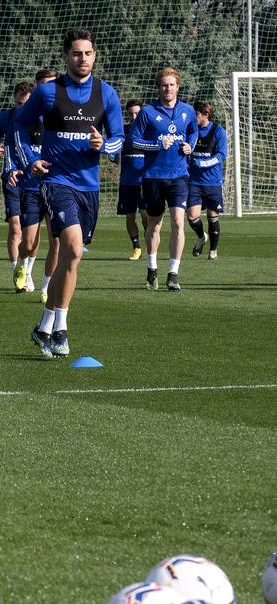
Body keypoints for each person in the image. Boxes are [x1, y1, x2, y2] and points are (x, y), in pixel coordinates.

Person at [13, 29, 124, 358]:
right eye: (76, 53)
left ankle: (44, 325)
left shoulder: (107, 94)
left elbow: (118, 140)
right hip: (56, 181)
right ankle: (61, 329)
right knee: (72, 249)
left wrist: (103, 145)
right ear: (65, 57)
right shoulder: (48, 92)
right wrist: (30, 161)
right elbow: (19, 126)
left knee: (71, 258)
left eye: (88, 53)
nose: (83, 59)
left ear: (95, 55)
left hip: (89, 187)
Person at [132, 67, 198, 292]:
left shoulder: (188, 111)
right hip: (153, 177)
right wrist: (156, 145)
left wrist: (191, 145)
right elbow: (134, 141)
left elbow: (193, 131)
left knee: (179, 222)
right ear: (158, 87)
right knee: (154, 224)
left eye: (171, 85)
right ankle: (152, 268)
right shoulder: (148, 112)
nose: (168, 88)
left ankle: (173, 273)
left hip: (179, 175)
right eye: (164, 85)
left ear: (177, 87)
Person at [8, 69, 58, 301]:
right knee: (28, 243)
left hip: (57, 186)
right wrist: (28, 164)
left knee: (56, 240)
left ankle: (47, 287)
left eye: (53, 84)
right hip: (31, 187)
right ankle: (22, 264)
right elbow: (15, 145)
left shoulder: (64, 116)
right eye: (44, 85)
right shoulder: (26, 117)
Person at [0, 82, 34, 287]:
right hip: (11, 178)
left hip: (33, 179)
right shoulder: (6, 117)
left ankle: (27, 270)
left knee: (31, 231)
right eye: (19, 103)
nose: (22, 108)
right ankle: (17, 272)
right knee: (16, 227)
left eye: (26, 104)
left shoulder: (39, 118)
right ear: (14, 100)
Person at [187, 102, 227, 260]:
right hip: (194, 182)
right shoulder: (191, 130)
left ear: (206, 114)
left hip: (212, 182)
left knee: (212, 216)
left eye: (195, 114)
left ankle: (213, 251)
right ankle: (201, 236)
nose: (193, 118)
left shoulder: (218, 131)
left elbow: (221, 155)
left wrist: (203, 163)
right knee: (192, 216)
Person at [114, 99, 148, 261]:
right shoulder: (123, 131)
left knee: (145, 215)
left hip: (144, 182)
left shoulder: (148, 132)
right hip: (126, 182)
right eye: (131, 114)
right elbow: (115, 152)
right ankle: (136, 248)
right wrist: (113, 154)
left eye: (137, 113)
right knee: (129, 217)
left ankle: (150, 244)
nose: (134, 117)